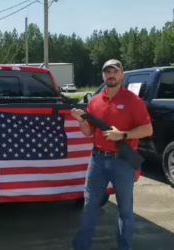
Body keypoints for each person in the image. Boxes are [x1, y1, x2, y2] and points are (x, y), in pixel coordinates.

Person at [70, 59, 153, 250]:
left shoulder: (133, 101)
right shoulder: (94, 101)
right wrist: (80, 121)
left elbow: (147, 129)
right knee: (89, 206)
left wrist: (123, 135)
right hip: (97, 159)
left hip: (123, 161)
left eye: (115, 71)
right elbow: (89, 132)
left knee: (125, 210)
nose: (111, 75)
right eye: (107, 72)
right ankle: (82, 246)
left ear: (122, 75)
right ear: (103, 75)